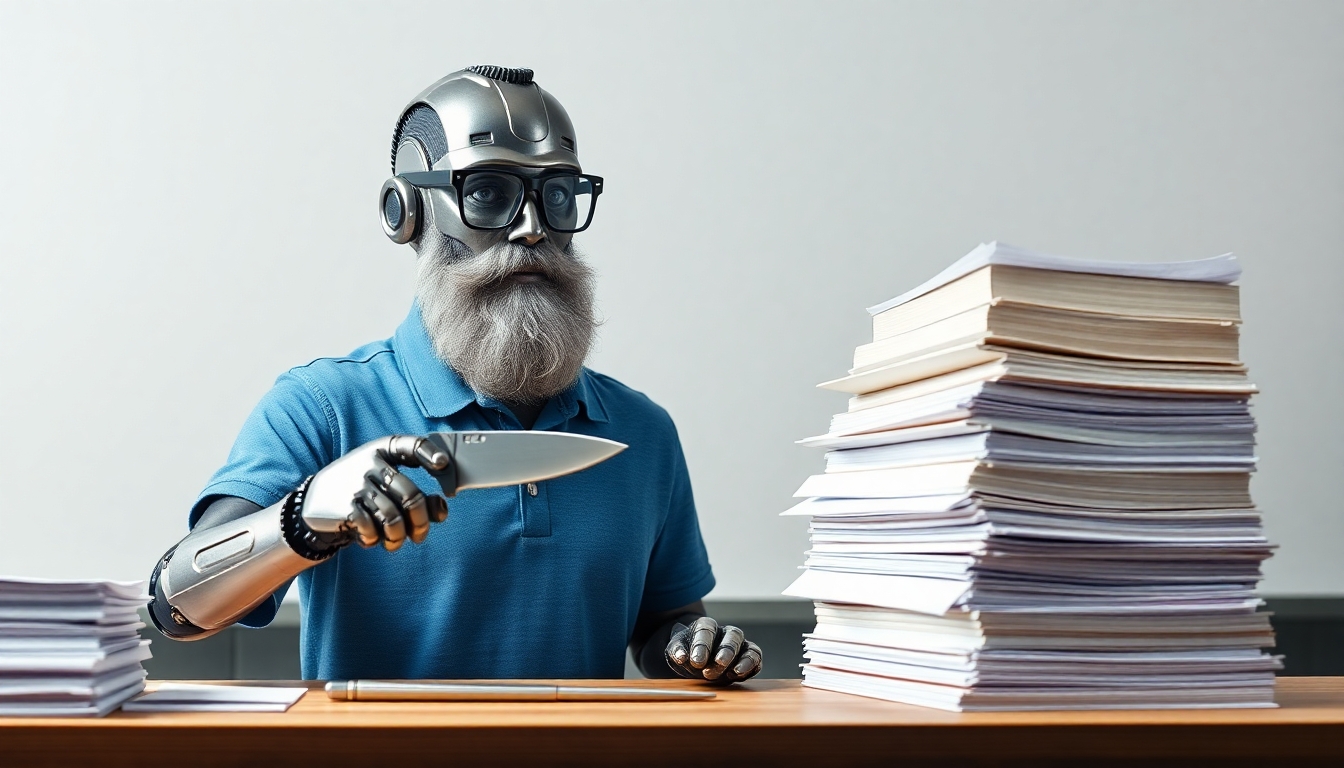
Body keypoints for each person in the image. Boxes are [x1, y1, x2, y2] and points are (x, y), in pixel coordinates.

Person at [147, 66, 763, 684]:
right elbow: (177, 607)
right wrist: (305, 517)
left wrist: (693, 646)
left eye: (555, 194)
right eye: (489, 193)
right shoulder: (324, 407)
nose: (533, 228)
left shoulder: (642, 432)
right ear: (406, 211)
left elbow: (664, 625)